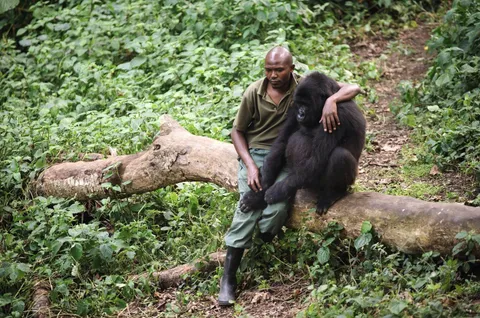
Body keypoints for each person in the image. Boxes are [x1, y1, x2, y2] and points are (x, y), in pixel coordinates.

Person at [218, 46, 361, 306]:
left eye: (279, 69)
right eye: (268, 69)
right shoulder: (287, 93)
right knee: (249, 206)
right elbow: (280, 143)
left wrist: (332, 101)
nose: (301, 112)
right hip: (263, 156)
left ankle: (333, 193)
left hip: (333, 171)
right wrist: (258, 178)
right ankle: (228, 277)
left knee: (335, 160)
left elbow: (316, 164)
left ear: (290, 70)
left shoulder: (332, 111)